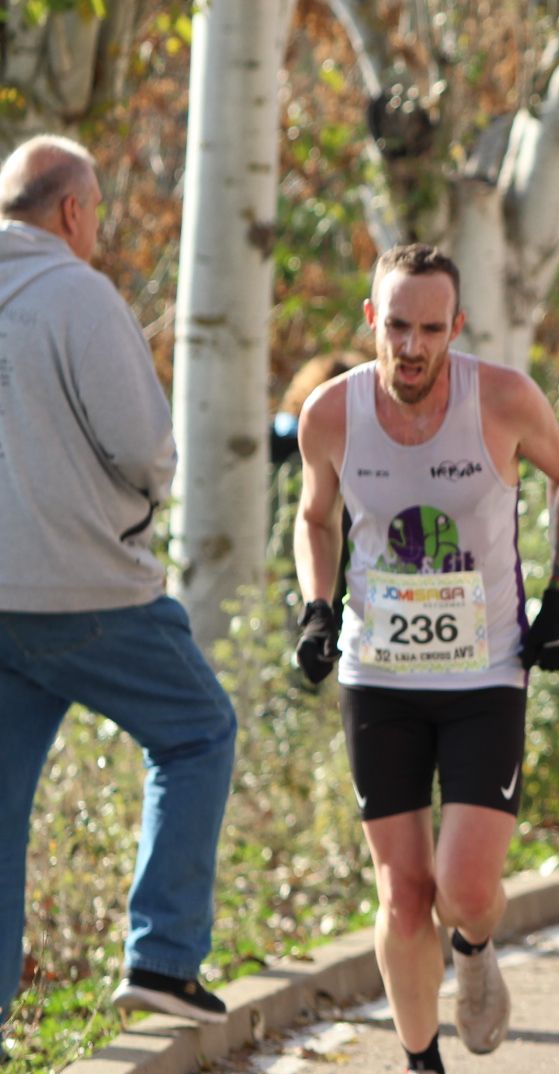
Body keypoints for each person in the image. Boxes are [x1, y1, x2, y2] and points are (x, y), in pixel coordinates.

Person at [290, 243, 559, 1074]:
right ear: (369, 321)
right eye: (397, 325)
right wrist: (314, 606)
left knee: (464, 886)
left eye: (431, 328)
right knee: (402, 889)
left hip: (485, 669)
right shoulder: (331, 413)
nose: (412, 347)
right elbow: (315, 511)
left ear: (455, 328)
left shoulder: (500, 400)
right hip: (379, 669)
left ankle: (478, 949)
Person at [0, 136, 236, 1028]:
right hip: (87, 595)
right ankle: (163, 957)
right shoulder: (79, 293)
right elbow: (144, 449)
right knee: (197, 733)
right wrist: (141, 498)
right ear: (71, 211)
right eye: (95, 209)